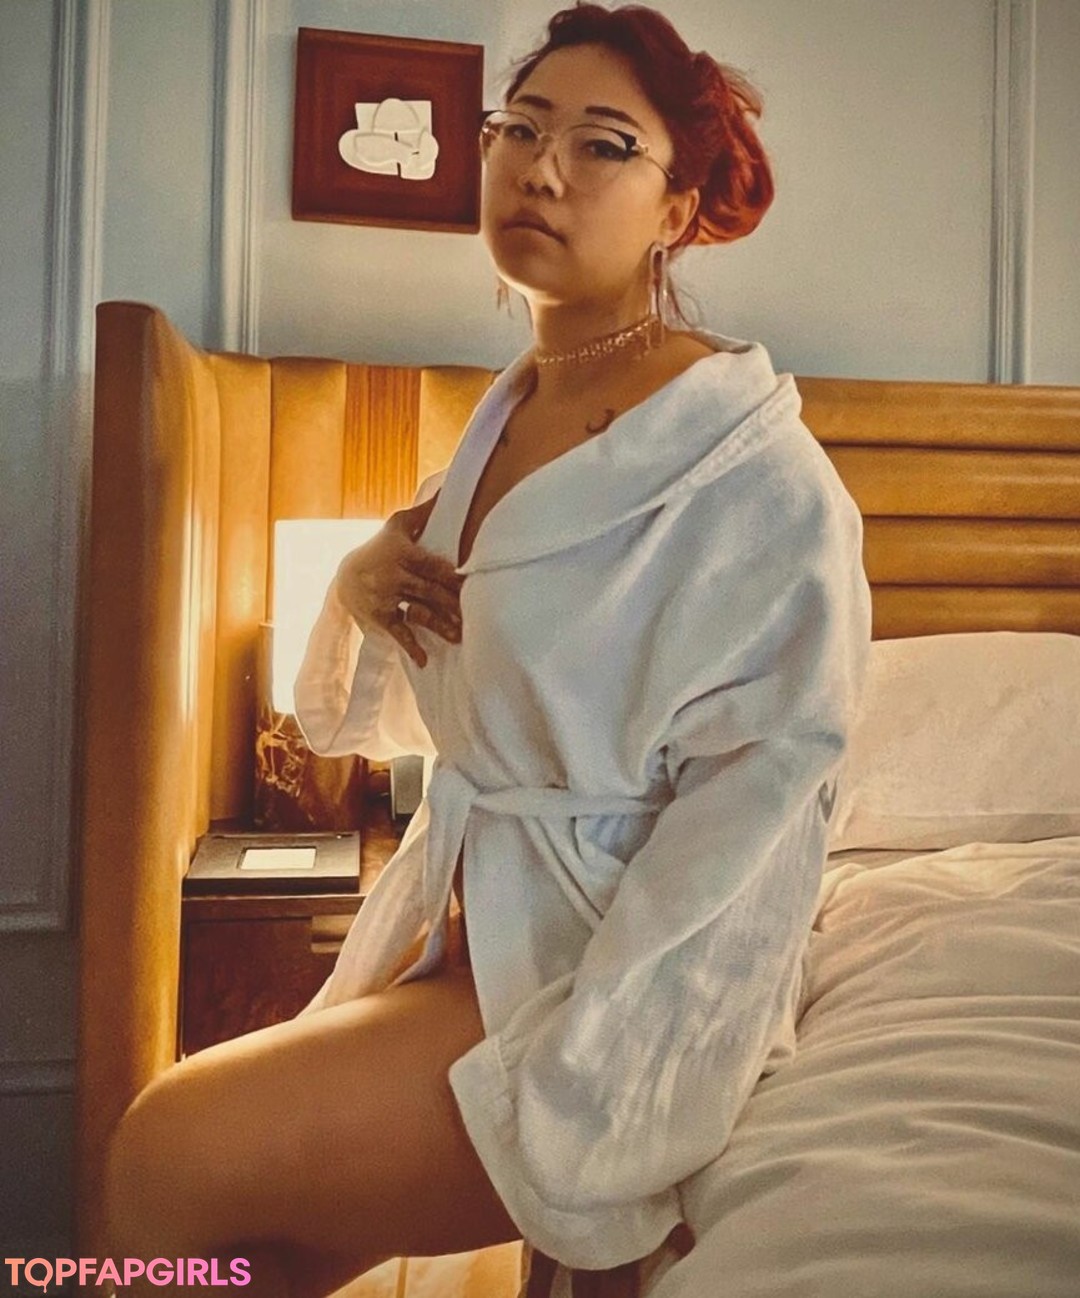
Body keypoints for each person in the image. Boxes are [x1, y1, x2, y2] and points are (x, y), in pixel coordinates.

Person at [103, 5, 872, 1297]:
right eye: (519, 128)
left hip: (596, 986)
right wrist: (357, 584)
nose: (541, 168)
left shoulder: (757, 481)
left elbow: (761, 810)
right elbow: (459, 705)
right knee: (247, 1255)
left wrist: (600, 1075)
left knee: (165, 1153)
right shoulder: (505, 417)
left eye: (603, 144)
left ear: (678, 208)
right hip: (466, 938)